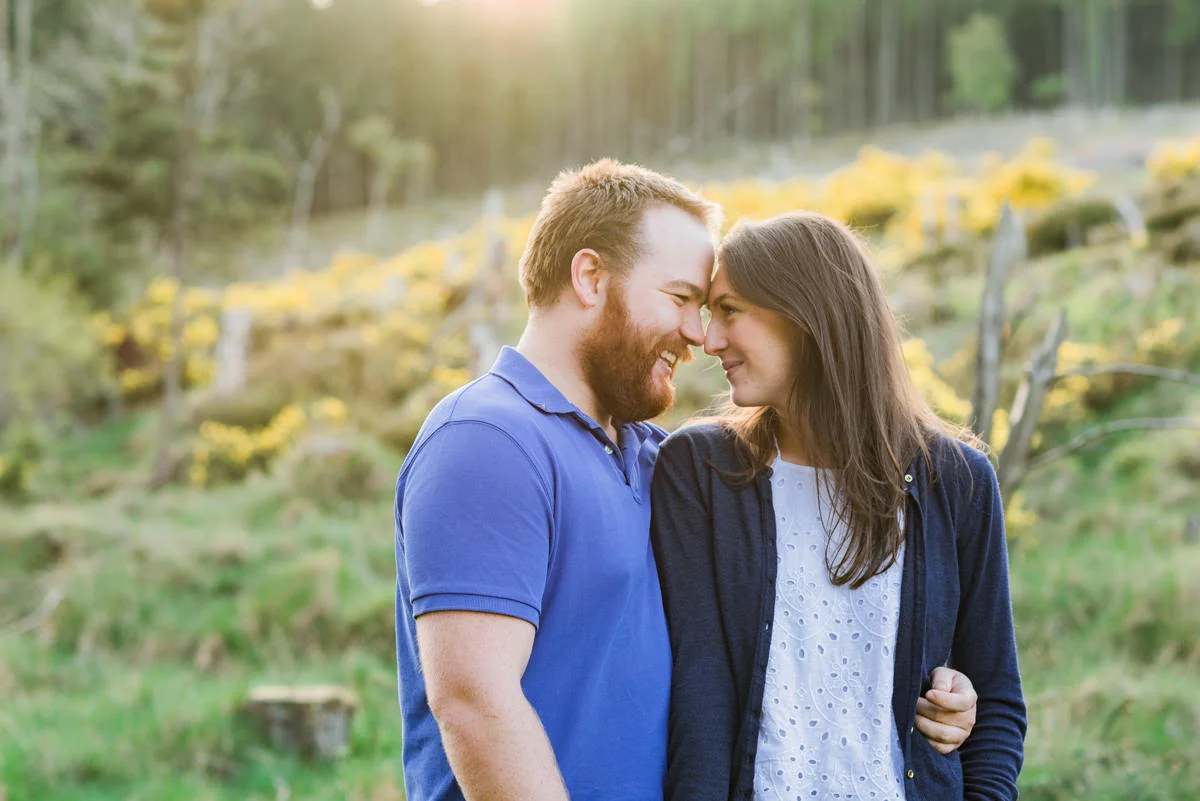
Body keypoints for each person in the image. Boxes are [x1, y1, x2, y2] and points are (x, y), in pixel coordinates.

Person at [395, 161, 980, 801]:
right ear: (590, 277)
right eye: (680, 299)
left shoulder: (656, 460)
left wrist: (946, 697)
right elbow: (474, 700)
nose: (699, 335)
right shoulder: (489, 440)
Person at [650, 211, 1027, 801]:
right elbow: (702, 696)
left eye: (729, 310)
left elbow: (997, 702)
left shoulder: (957, 482)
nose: (709, 340)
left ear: (805, 314)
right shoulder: (701, 471)